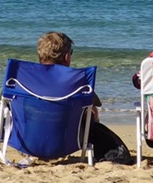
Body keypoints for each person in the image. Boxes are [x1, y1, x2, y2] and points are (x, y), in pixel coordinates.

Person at [27, 30, 133, 164]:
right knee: (91, 109)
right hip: (67, 142)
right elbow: (95, 106)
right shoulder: (76, 81)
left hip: (29, 141)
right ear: (66, 57)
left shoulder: (24, 78)